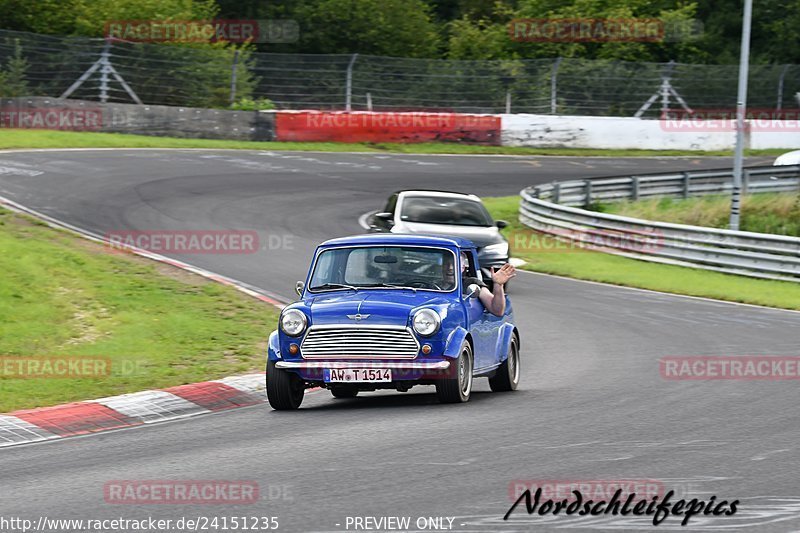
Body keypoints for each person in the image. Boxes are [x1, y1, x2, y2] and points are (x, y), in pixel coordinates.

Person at [443, 251, 516, 317]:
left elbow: (497, 311)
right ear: (441, 267)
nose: (450, 268)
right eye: (446, 264)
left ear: (463, 268)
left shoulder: (471, 283)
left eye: (454, 264)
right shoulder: (432, 284)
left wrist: (498, 284)